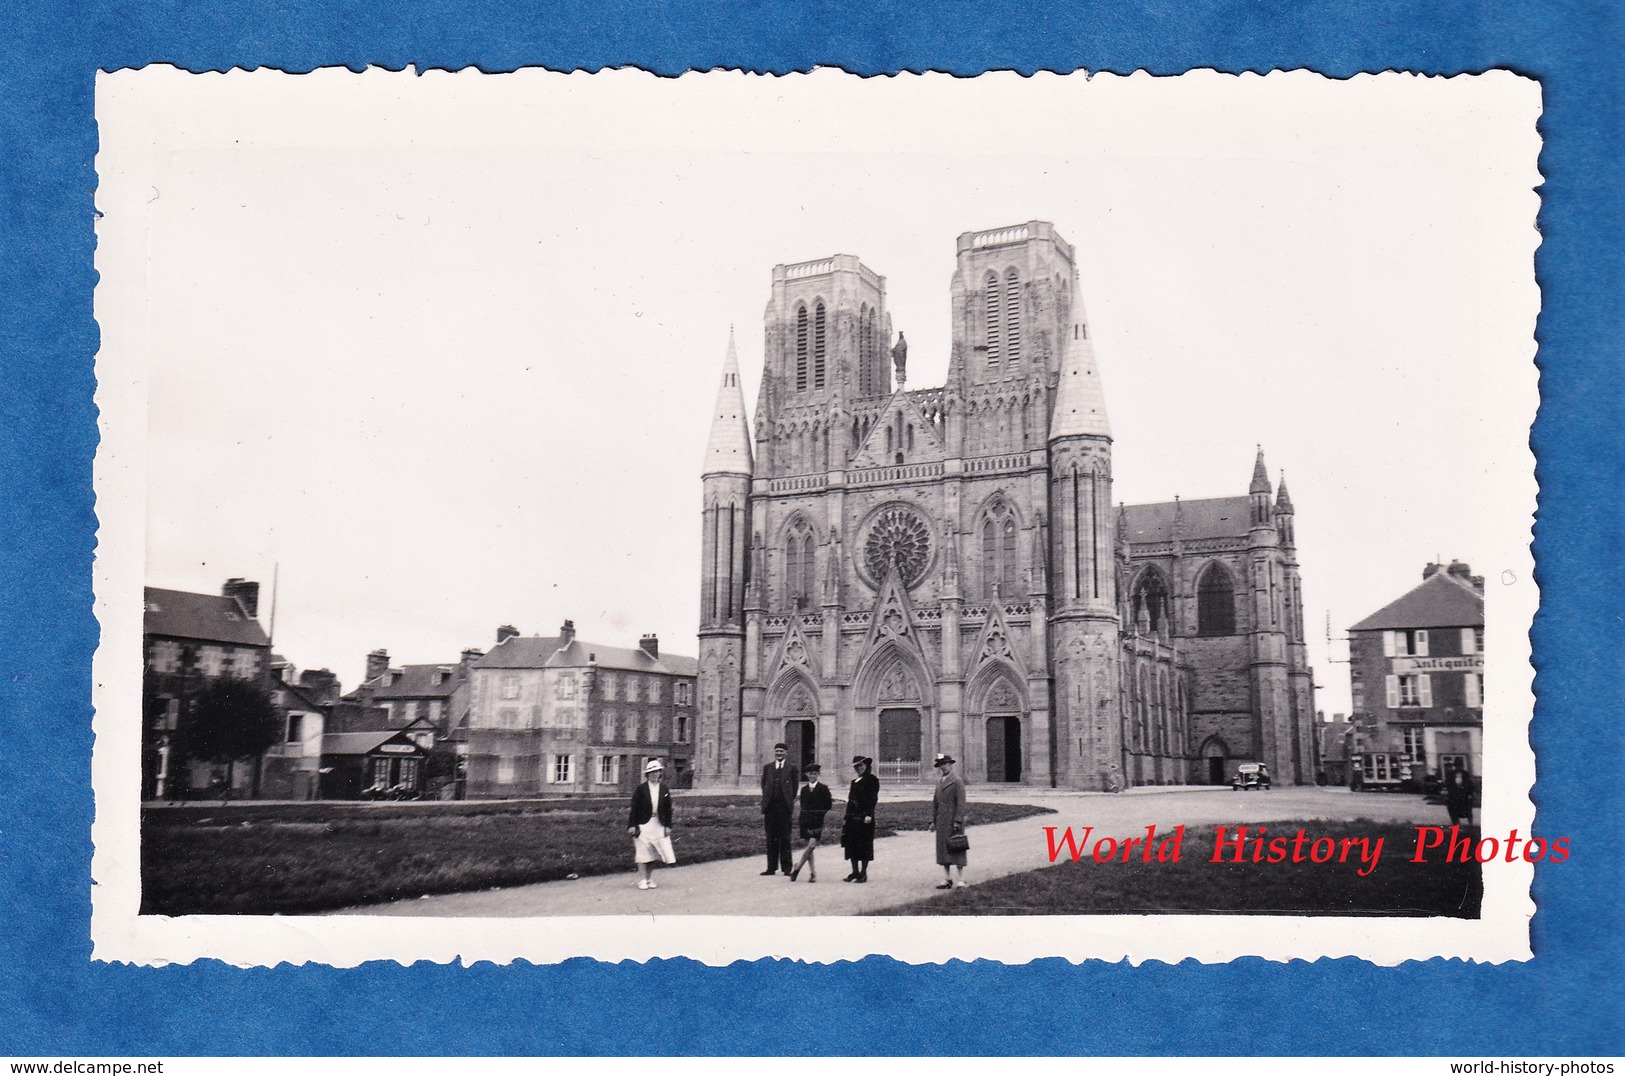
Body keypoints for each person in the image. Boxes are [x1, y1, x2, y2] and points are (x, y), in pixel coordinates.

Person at [626, 758, 674, 891]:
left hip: (658, 824)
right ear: (647, 774)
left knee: (654, 853)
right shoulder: (641, 789)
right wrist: (632, 825)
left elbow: (668, 809)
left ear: (660, 773)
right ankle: (642, 880)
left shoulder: (664, 789)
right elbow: (634, 808)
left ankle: (649, 878)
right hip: (643, 824)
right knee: (642, 852)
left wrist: (668, 826)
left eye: (657, 772)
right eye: (651, 772)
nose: (654, 774)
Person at [929, 752, 968, 889]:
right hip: (941, 820)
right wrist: (933, 820)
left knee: (957, 847)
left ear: (950, 765)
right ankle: (947, 878)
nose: (943, 767)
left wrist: (958, 820)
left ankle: (961, 879)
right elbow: (935, 802)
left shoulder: (957, 781)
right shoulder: (939, 782)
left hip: (953, 820)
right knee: (943, 849)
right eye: (941, 765)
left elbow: (961, 802)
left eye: (945, 764)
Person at [760, 742, 799, 876]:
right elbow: (764, 785)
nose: (779, 753)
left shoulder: (792, 768)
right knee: (771, 837)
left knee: (785, 837)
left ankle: (786, 868)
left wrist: (787, 801)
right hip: (770, 807)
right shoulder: (768, 768)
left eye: (781, 751)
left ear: (786, 753)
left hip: (784, 807)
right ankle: (771, 868)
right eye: (777, 751)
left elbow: (794, 788)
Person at [789, 763, 832, 882]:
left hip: (817, 822)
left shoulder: (823, 788)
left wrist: (819, 814)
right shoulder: (803, 790)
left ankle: (798, 867)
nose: (812, 775)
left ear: (818, 774)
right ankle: (813, 873)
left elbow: (828, 805)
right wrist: (802, 819)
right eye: (810, 773)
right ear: (807, 774)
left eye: (814, 773)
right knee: (810, 847)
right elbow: (803, 806)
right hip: (805, 821)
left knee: (812, 845)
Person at [841, 755, 879, 883]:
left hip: (865, 818)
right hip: (852, 818)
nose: (859, 769)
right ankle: (855, 871)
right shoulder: (854, 782)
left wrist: (869, 814)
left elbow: (873, 799)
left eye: (861, 766)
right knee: (851, 844)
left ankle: (863, 873)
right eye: (857, 767)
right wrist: (846, 817)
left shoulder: (872, 780)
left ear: (866, 766)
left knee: (864, 845)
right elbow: (850, 801)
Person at [1444, 761, 1475, 827]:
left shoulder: (1466, 774)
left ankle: (1470, 822)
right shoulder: (1451, 774)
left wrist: (1470, 794)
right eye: (1457, 766)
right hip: (1454, 795)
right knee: (1453, 809)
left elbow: (1470, 785)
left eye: (1460, 766)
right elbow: (1448, 784)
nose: (1459, 768)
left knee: (1467, 809)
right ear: (1455, 767)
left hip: (1464, 795)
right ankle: (1455, 823)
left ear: (1462, 767)